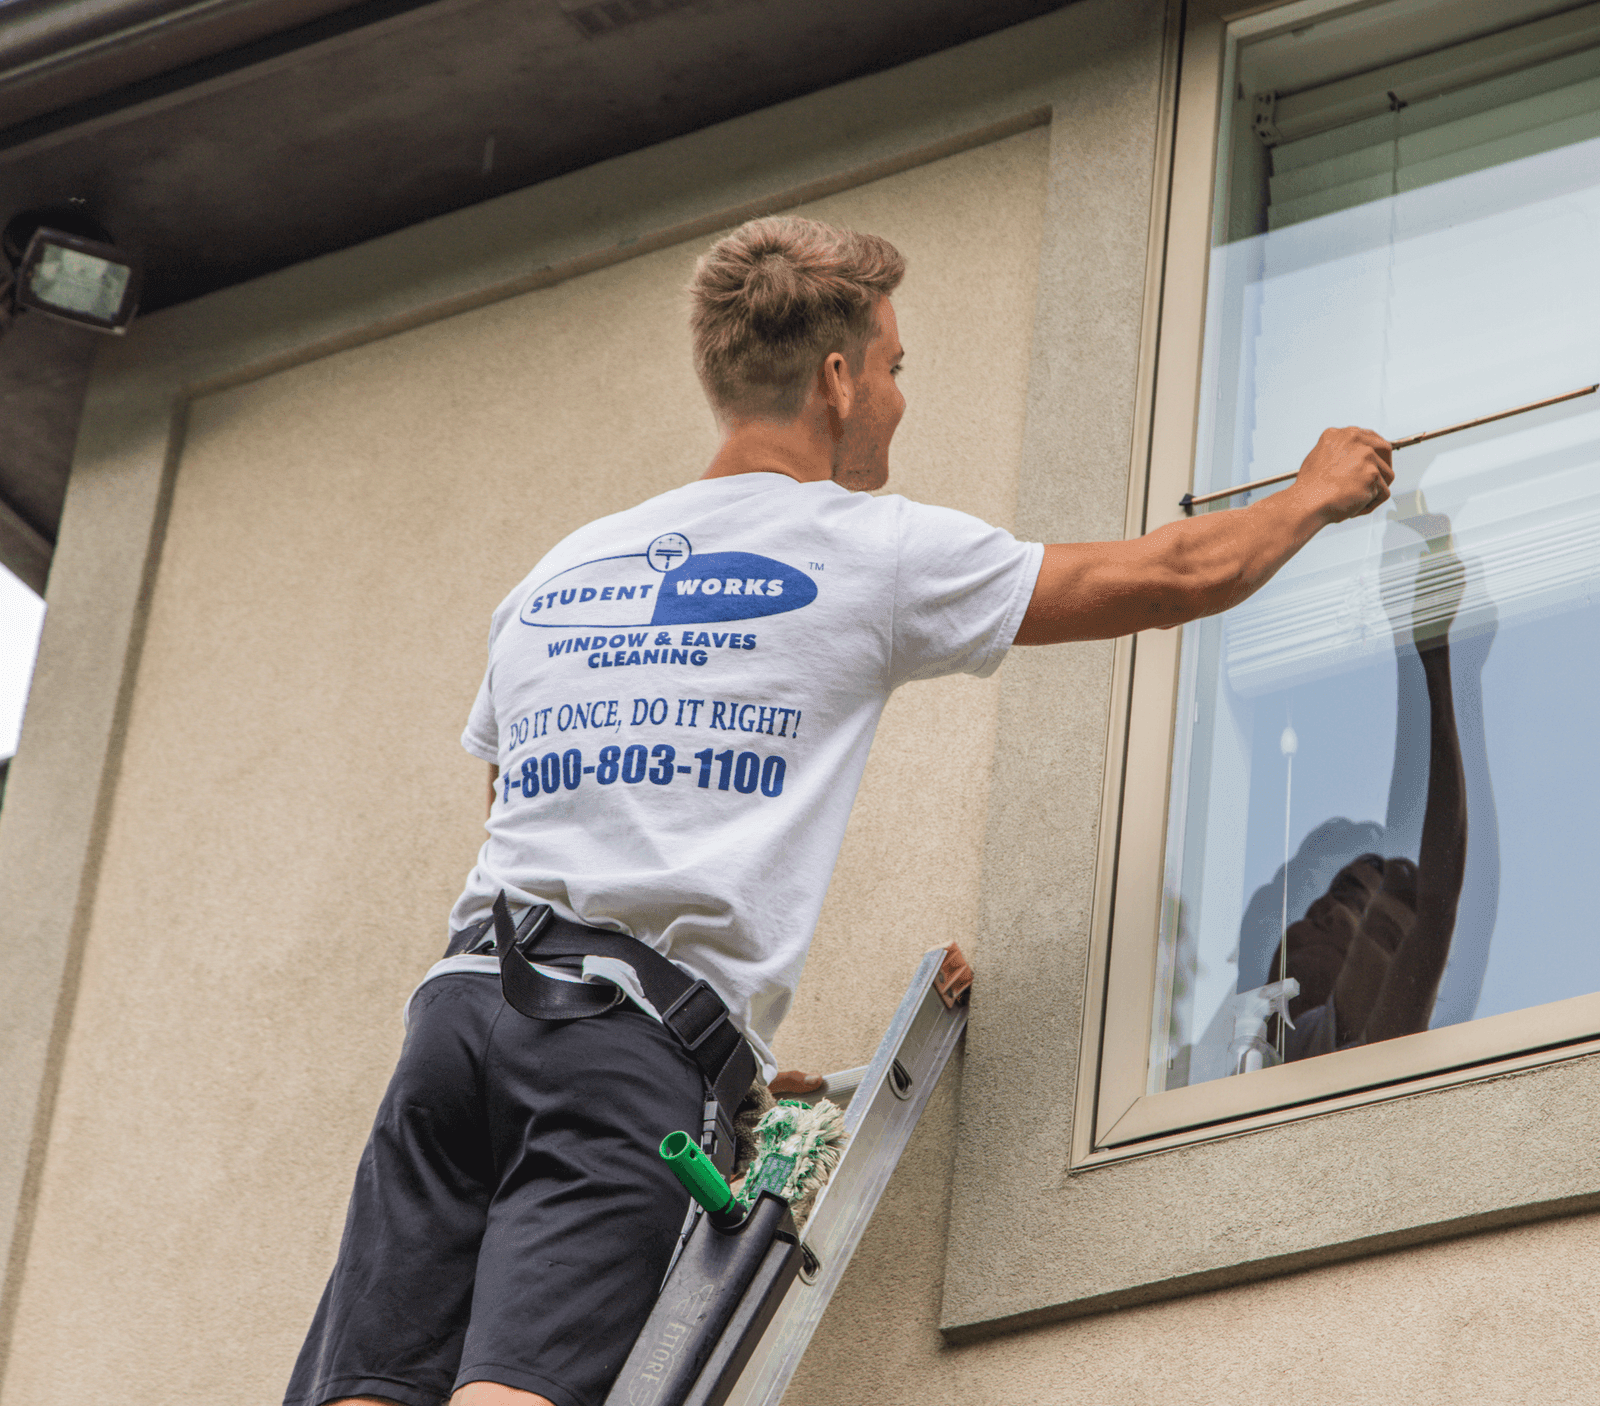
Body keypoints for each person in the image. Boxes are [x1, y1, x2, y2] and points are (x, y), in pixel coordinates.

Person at [284, 215, 1394, 1406]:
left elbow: (514, 804)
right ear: (836, 377)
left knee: (373, 1386)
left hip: (457, 1021)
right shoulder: (867, 552)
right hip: (616, 1058)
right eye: (897, 368)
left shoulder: (558, 574)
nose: (899, 399)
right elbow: (1176, 577)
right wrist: (1315, 495)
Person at [1263, 523, 1469, 1058]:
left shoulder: (1354, 1054)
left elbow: (1436, 896)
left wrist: (1428, 648)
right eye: (1320, 904)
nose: (1323, 916)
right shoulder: (1228, 1070)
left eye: (1356, 904)